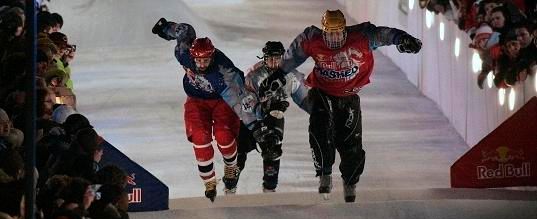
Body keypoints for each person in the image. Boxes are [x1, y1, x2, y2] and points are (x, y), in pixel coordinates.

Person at [259, 9, 422, 202]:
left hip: (349, 96)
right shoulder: (312, 39)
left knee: (351, 141)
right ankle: (324, 173)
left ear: (345, 31)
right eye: (330, 33)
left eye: (338, 32)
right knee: (320, 129)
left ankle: (350, 181)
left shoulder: (361, 36)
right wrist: (277, 75)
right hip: (322, 92)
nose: (334, 38)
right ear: (323, 31)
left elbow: (383, 34)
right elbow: (292, 55)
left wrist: (402, 39)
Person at [152, 18, 262, 201]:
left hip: (222, 100)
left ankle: (231, 165)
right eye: (198, 61)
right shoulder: (183, 52)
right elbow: (183, 31)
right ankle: (209, 182)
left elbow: (240, 96)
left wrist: (256, 125)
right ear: (192, 56)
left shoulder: (224, 69)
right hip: (196, 101)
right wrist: (166, 29)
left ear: (212, 57)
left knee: (224, 135)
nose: (202, 65)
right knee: (199, 136)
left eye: (206, 61)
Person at [238, 41, 310, 192]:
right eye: (270, 58)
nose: (274, 62)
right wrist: (261, 109)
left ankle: (270, 189)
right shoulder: (253, 75)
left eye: (277, 58)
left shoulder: (293, 76)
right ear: (264, 58)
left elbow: (306, 100)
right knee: (239, 153)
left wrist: (320, 113)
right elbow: (245, 104)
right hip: (251, 119)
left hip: (273, 116)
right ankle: (231, 185)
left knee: (273, 146)